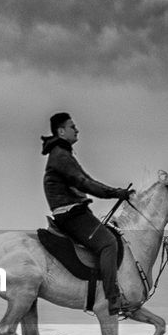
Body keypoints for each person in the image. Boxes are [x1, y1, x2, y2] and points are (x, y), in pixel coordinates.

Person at [40, 112, 133, 314]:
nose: (77, 129)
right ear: (61, 131)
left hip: (72, 211)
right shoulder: (61, 155)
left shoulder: (62, 153)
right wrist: (116, 193)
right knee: (108, 242)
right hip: (71, 213)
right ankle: (112, 297)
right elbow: (86, 183)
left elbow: (85, 180)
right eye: (73, 127)